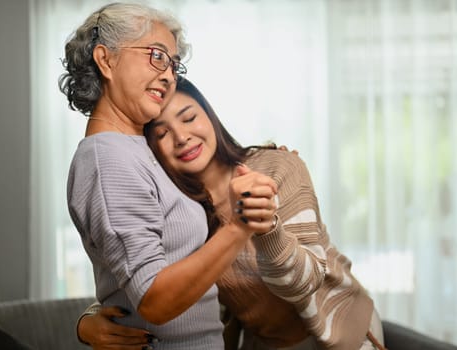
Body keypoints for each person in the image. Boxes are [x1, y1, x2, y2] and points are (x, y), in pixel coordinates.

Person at [77, 77, 386, 350]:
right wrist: (87, 321)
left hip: (343, 330)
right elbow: (152, 281)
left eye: (189, 118)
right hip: (266, 342)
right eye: (162, 134)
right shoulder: (182, 210)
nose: (182, 137)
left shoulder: (276, 168)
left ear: (210, 117)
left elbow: (305, 282)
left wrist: (264, 226)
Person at [59, 3, 278, 350]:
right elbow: (154, 299)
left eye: (174, 64)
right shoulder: (108, 157)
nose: (169, 74)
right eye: (157, 55)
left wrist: (87, 319)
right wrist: (238, 227)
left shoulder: (140, 147)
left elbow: (127, 269)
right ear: (106, 60)